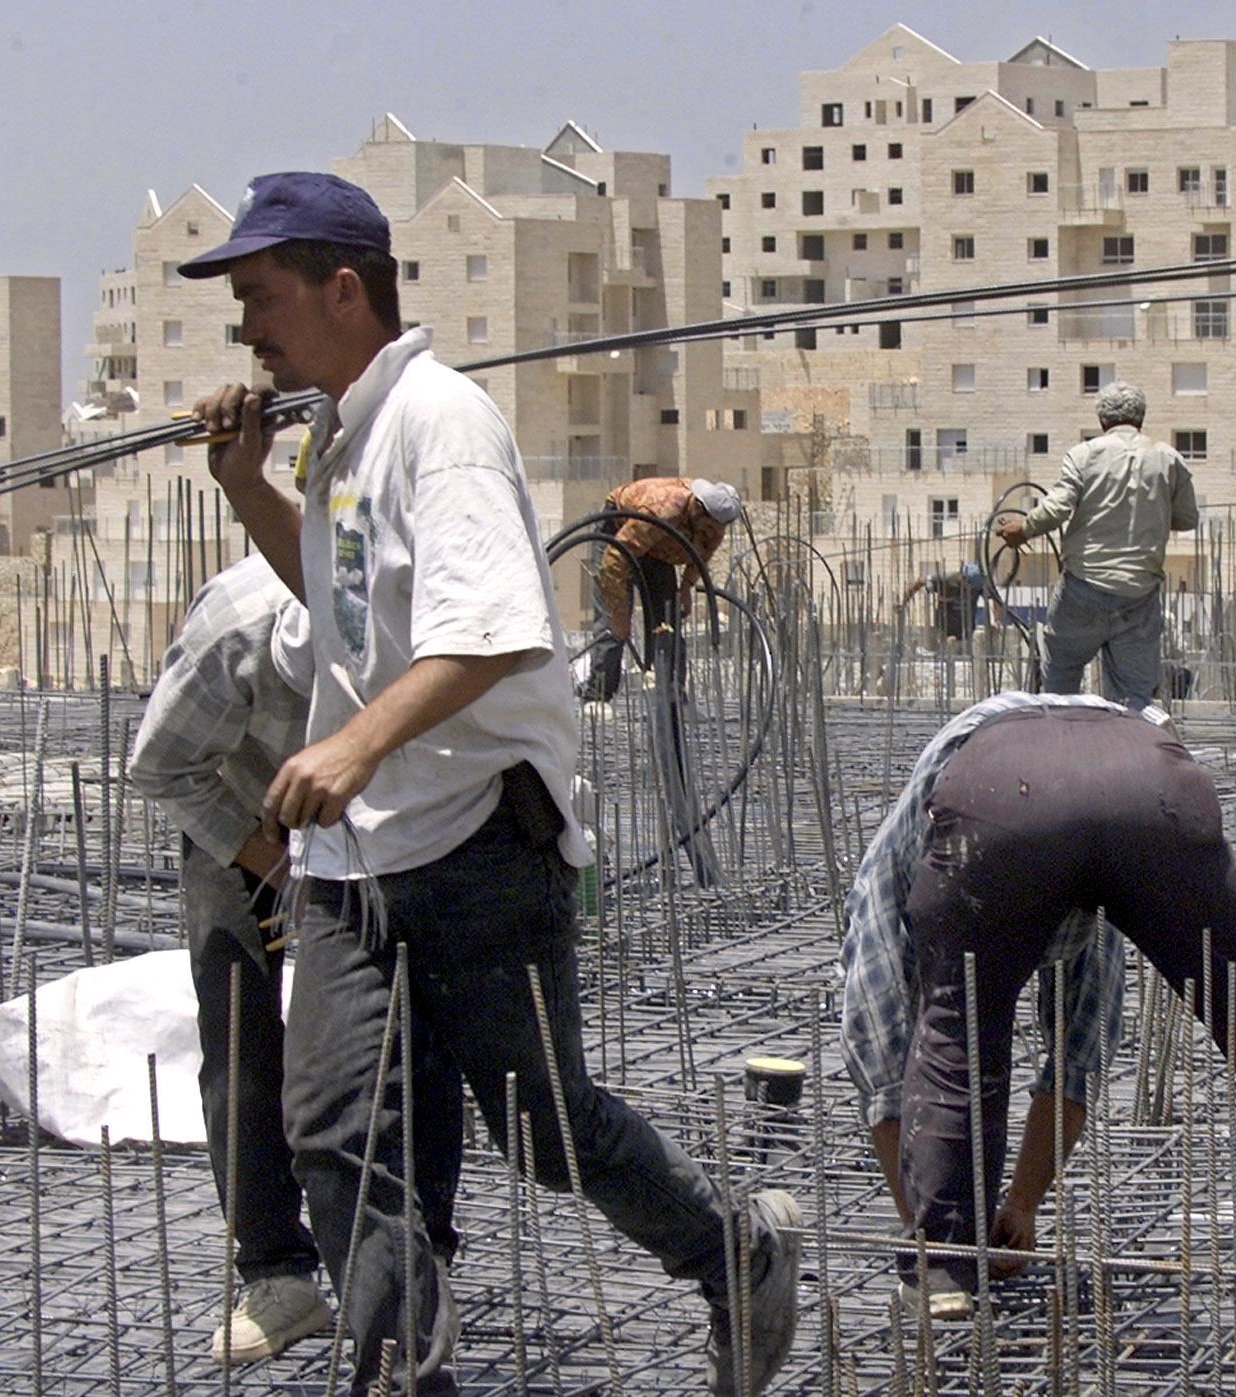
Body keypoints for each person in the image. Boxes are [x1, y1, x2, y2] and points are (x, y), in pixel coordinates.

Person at [185, 171, 798, 1396]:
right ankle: (404, 1373)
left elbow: (504, 629)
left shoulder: (439, 421)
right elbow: (350, 614)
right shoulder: (341, 440)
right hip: (360, 856)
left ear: (341, 288)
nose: (245, 330)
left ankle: (732, 1254)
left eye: (261, 298)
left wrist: (354, 745)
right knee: (344, 1133)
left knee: (541, 1125)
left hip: (476, 840)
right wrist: (250, 487)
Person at [859, 693, 1236, 1308]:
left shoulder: (900, 858)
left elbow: (883, 1042)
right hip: (1150, 786)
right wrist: (1021, 1203)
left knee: (956, 1030)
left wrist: (939, 1224)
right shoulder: (1076, 819)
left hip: (1002, 801)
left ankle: (944, 1268)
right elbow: (1080, 1049)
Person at [130, 554, 465, 1365]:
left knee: (413, 1024)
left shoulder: (424, 617)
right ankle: (277, 1272)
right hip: (241, 805)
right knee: (242, 1029)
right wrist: (271, 862)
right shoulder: (234, 632)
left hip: (377, 814)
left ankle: (418, 1262)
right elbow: (161, 765)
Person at [843, 691, 1131, 1315]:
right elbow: (882, 1057)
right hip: (983, 778)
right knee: (947, 1041)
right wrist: (935, 1232)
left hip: (1094, 761)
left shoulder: (1094, 865)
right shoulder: (895, 887)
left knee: (970, 1037)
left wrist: (1023, 1200)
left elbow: (1076, 1054)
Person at [993, 382, 1198, 707]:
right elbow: (1188, 519)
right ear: (1141, 418)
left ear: (1102, 421)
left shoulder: (1084, 455)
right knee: (1134, 701)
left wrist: (1024, 528)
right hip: (1138, 597)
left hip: (1081, 593)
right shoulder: (1168, 459)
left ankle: (1062, 745)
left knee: (1059, 684)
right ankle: (1129, 752)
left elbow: (1057, 508)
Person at [579, 475, 742, 702]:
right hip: (617, 535)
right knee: (613, 625)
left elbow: (701, 556)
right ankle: (598, 694)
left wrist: (685, 587)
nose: (713, 534)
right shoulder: (663, 510)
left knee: (667, 619)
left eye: (717, 529)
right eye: (708, 527)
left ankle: (673, 691)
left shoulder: (714, 525)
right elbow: (614, 560)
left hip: (660, 550)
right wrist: (618, 609)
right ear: (698, 508)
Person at [895, 561, 992, 645]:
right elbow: (920, 581)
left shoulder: (977, 585)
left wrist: (997, 621)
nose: (971, 588)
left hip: (967, 632)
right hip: (945, 631)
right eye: (969, 585)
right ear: (963, 578)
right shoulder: (945, 579)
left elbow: (994, 599)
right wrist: (904, 603)